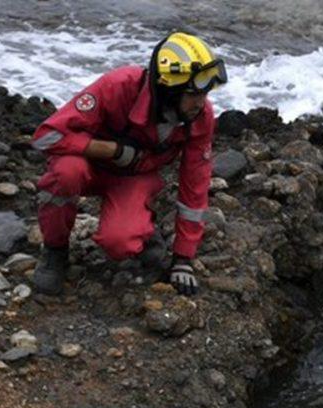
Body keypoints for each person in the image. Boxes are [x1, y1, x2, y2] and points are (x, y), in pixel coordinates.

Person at [29, 32, 227, 296]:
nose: (201, 103)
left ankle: (143, 232)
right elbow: (46, 137)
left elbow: (196, 184)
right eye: (193, 94)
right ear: (169, 89)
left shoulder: (200, 116)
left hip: (134, 178)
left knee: (119, 243)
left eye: (205, 93)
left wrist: (183, 258)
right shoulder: (118, 86)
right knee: (66, 172)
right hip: (88, 167)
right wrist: (111, 150)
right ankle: (55, 251)